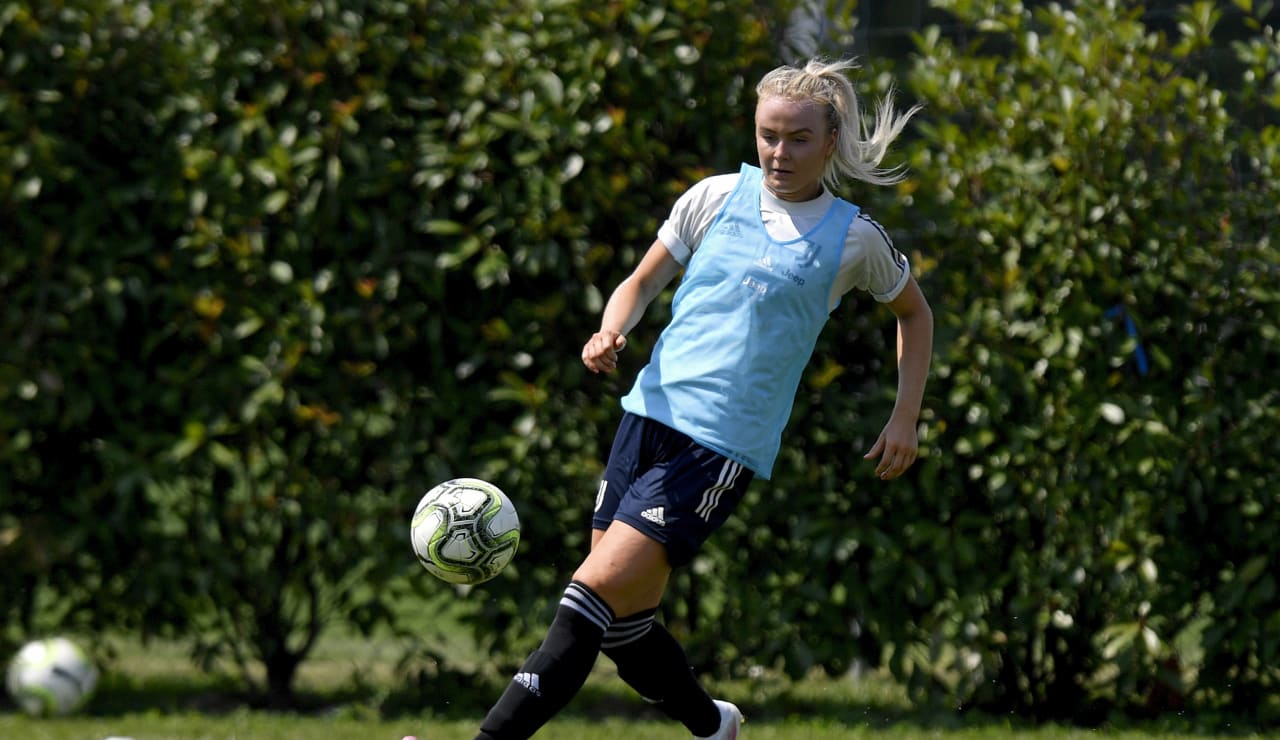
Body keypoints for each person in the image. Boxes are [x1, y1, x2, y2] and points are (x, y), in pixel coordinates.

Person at [475, 57, 933, 740]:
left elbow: (914, 314)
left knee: (589, 595)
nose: (780, 152)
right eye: (768, 135)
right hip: (645, 418)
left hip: (719, 447)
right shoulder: (715, 197)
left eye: (799, 138)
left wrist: (904, 417)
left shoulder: (853, 237)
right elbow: (639, 282)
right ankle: (712, 724)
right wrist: (611, 330)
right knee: (623, 625)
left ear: (831, 141)